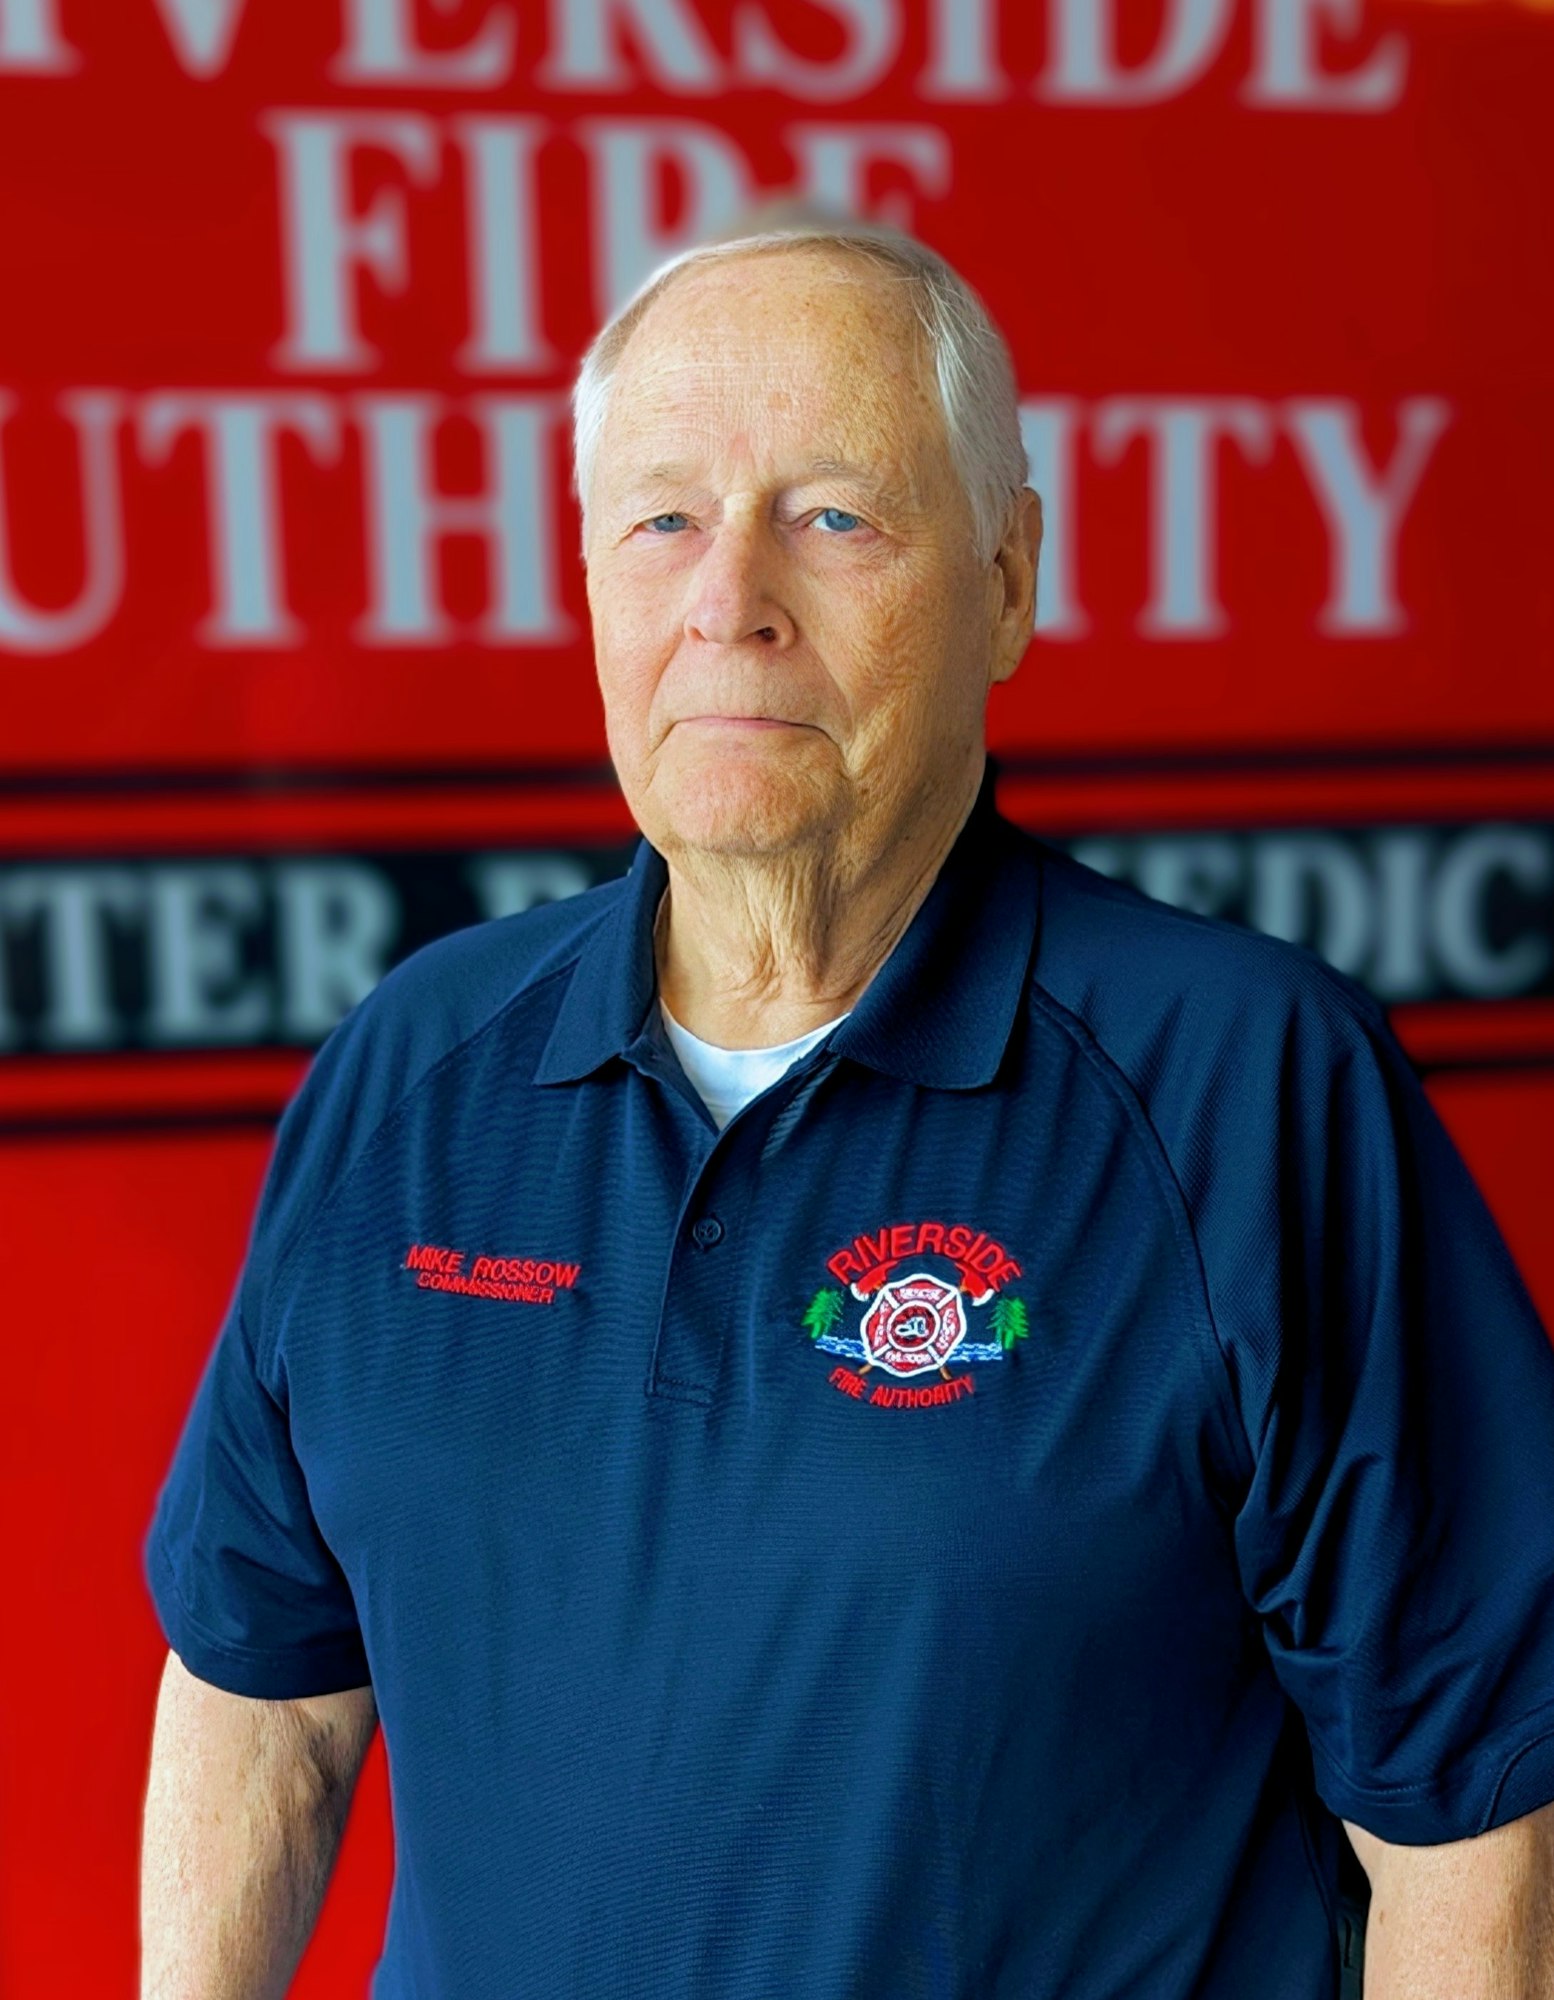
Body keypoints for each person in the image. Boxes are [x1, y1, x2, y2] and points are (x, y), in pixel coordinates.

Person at [139, 213, 1554, 1999]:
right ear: (587, 579)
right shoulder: (413, 1066)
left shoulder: (1246, 1089)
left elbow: (1474, 1825)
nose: (727, 598)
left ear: (1010, 578)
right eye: (660, 520)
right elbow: (263, 1699)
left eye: (832, 515)